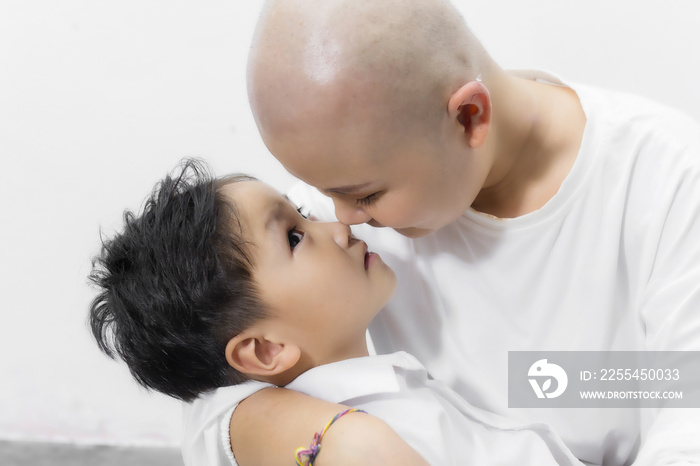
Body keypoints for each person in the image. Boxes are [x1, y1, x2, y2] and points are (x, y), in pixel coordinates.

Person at [244, 0, 700, 464]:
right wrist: (343, 441)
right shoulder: (340, 207)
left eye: (365, 196)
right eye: (323, 193)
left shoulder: (671, 182)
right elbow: (202, 375)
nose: (340, 220)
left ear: (469, 117)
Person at [88, 160, 583, 466]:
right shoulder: (365, 438)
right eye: (296, 236)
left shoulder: (386, 399)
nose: (338, 225)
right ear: (265, 349)